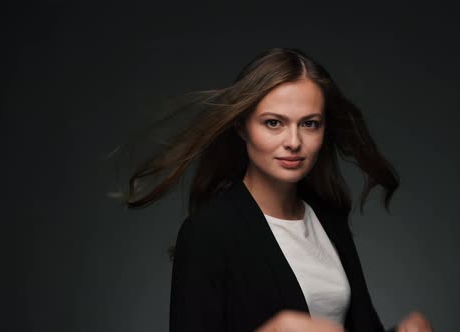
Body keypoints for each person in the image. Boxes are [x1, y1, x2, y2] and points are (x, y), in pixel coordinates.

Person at [124, 48, 433, 332]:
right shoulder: (208, 232)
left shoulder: (329, 218)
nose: (294, 141)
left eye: (310, 123)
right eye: (274, 123)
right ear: (242, 127)